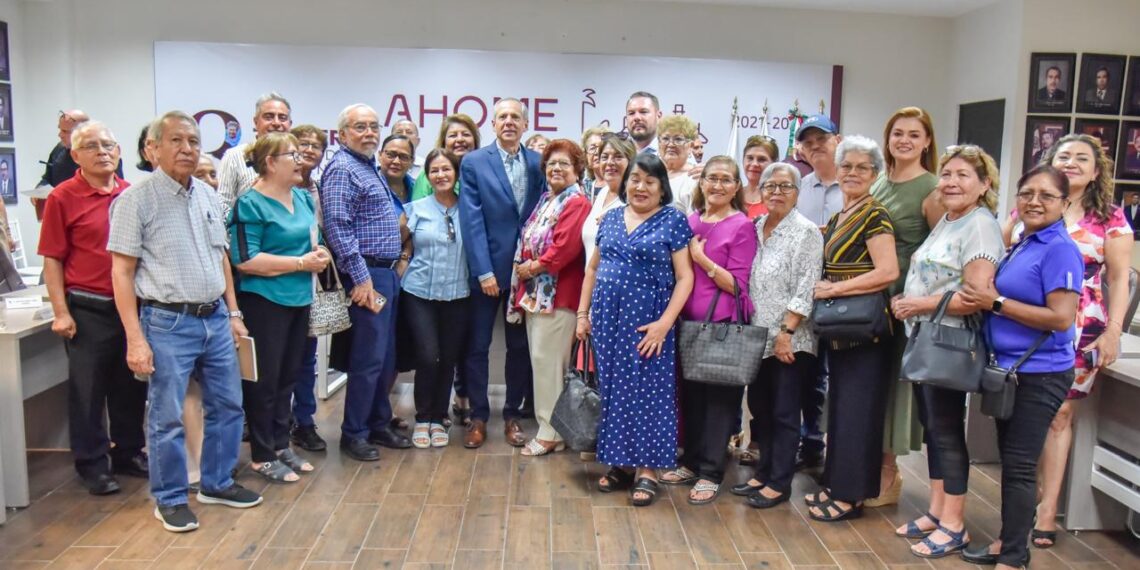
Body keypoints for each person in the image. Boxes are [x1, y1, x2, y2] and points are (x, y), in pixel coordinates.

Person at [108, 111, 263, 533]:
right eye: (176, 141)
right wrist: (134, 339)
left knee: (229, 405)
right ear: (152, 148)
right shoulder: (134, 201)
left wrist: (233, 312)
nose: (187, 149)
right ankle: (171, 498)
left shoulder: (209, 196)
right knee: (167, 415)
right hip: (165, 322)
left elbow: (221, 259)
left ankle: (216, 482)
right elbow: (122, 272)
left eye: (193, 141)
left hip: (214, 317)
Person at [1004, 134, 1133, 549]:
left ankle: (1047, 509)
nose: (1073, 163)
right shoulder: (1032, 205)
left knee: (1059, 414)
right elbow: (1004, 248)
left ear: (1097, 171)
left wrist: (1113, 332)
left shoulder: (1109, 218)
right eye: (1065, 156)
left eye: (1083, 158)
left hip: (1079, 325)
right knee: (1024, 417)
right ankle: (1027, 499)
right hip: (1022, 323)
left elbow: (1119, 279)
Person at [959, 164, 1083, 569]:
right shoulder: (1024, 241)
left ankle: (1014, 555)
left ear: (1064, 203)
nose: (1034, 202)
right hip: (1010, 372)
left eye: (1047, 196)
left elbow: (1061, 318)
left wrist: (993, 302)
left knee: (1019, 465)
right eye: (1027, 193)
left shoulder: (1059, 248)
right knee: (1013, 464)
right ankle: (1007, 540)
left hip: (1040, 373)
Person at [890, 145, 1004, 558]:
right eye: (948, 174)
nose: (952, 182)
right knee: (934, 429)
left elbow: (977, 295)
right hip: (926, 338)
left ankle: (955, 524)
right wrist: (911, 299)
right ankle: (938, 512)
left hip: (950, 342)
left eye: (963, 176)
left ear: (984, 184)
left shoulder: (979, 225)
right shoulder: (949, 219)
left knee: (947, 432)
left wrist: (917, 304)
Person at [576, 153, 694, 507]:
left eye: (650, 181)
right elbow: (593, 270)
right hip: (608, 323)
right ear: (625, 183)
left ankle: (647, 470)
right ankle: (621, 463)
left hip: (649, 323)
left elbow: (685, 276)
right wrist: (583, 314)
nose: (641, 187)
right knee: (614, 393)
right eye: (635, 179)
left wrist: (664, 324)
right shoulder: (610, 218)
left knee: (649, 395)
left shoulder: (672, 220)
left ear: (662, 188)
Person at [37, 121, 148, 496]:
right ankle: (92, 464)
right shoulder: (62, 197)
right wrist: (60, 311)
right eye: (92, 146)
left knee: (130, 386)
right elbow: (52, 259)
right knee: (88, 391)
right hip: (88, 308)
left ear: (119, 152)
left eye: (108, 145)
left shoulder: (131, 194)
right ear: (75, 155)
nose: (102, 152)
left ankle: (129, 453)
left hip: (130, 307)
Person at [804, 135, 898, 522]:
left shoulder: (875, 215)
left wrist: (835, 288)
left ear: (875, 174)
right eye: (847, 166)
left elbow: (888, 271)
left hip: (866, 330)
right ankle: (835, 486)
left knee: (859, 413)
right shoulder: (842, 216)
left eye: (862, 167)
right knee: (842, 410)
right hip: (841, 330)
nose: (853, 173)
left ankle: (851, 496)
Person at [230, 133, 329, 483]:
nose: (301, 160)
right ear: (270, 162)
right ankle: (260, 454)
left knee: (288, 376)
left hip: (300, 300)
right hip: (264, 303)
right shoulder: (250, 205)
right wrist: (301, 264)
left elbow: (312, 241)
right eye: (292, 154)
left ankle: (279, 442)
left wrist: (319, 256)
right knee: (264, 380)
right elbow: (245, 259)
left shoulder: (302, 198)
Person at [659, 156, 757, 504]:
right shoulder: (691, 220)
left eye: (726, 179)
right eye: (711, 178)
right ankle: (690, 462)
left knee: (718, 403)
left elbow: (738, 286)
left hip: (721, 328)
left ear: (736, 187)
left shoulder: (742, 226)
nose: (717, 185)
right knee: (691, 399)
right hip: (686, 325)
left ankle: (711, 472)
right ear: (701, 184)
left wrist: (702, 260)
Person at [321, 103, 412, 461]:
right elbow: (338, 228)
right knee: (367, 358)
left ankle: (377, 422)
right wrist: (360, 279)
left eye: (374, 126)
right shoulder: (343, 168)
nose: (370, 133)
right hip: (367, 275)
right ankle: (354, 432)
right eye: (360, 127)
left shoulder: (367, 167)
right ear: (342, 134)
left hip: (385, 273)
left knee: (385, 357)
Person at [869, 107, 945, 508]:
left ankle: (888, 471)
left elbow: (937, 252)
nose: (905, 141)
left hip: (901, 300)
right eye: (898, 133)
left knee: (896, 390)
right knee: (872, 385)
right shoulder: (879, 182)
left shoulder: (932, 189)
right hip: (868, 301)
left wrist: (915, 299)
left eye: (914, 135)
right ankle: (864, 463)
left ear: (927, 141)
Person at [457, 98, 544, 449]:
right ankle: (478, 416)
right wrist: (483, 271)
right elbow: (471, 218)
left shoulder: (539, 162)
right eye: (502, 117)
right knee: (477, 346)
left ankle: (511, 415)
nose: (509, 122)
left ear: (525, 124)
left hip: (526, 274)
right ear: (492, 125)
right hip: (488, 274)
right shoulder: (475, 162)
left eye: (515, 117)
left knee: (518, 346)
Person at [734, 162, 822, 508]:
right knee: (760, 409)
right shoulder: (755, 226)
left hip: (790, 340)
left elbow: (807, 286)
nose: (776, 192)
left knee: (785, 412)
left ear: (798, 193)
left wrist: (787, 331)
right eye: (770, 186)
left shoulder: (807, 232)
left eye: (785, 187)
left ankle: (780, 482)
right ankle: (764, 470)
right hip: (756, 337)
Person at [510, 139, 591, 456]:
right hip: (536, 297)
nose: (557, 169)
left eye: (565, 164)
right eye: (552, 164)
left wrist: (531, 267)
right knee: (542, 363)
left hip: (558, 297)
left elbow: (563, 250)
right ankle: (552, 429)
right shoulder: (548, 199)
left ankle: (551, 431)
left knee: (549, 365)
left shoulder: (577, 203)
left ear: (577, 170)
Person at [402, 149, 470, 448]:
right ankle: (422, 418)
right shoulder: (415, 208)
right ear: (427, 176)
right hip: (419, 292)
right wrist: (402, 262)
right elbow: (399, 245)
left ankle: (439, 416)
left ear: (456, 174)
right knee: (428, 357)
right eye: (434, 171)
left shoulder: (469, 209)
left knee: (448, 358)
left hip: (458, 294)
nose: (441, 175)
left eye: (446, 169)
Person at [792, 114, 842, 470]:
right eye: (807, 142)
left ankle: (840, 449)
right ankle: (810, 442)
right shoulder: (799, 188)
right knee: (809, 372)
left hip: (846, 296)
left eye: (821, 139)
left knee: (841, 375)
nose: (815, 147)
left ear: (837, 140)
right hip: (805, 293)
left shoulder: (856, 184)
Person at [288, 124, 330, 452]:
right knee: (278, 360)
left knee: (306, 357)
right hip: (276, 284)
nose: (310, 150)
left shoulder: (318, 189)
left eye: (317, 146)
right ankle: (272, 423)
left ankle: (304, 421)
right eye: (303, 144)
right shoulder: (268, 190)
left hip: (312, 284)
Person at [217, 92, 293, 216]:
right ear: (256, 121)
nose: (276, 123)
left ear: (290, 124)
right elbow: (221, 203)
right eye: (269, 117)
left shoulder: (295, 159)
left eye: (282, 118)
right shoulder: (234, 156)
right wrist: (240, 227)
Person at [582, 134, 635, 263]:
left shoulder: (635, 200)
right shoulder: (603, 193)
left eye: (618, 157)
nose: (610, 163)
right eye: (604, 157)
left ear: (631, 161)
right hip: (593, 279)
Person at [34, 110, 90, 221]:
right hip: (59, 217)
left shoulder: (100, 155)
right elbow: (47, 179)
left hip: (87, 219)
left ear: (82, 132)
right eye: (60, 129)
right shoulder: (58, 150)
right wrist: (39, 190)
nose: (60, 135)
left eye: (65, 131)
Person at [409, 114, 480, 201]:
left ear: (475, 141)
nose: (460, 139)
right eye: (453, 135)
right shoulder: (428, 175)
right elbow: (417, 211)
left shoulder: (485, 172)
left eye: (466, 134)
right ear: (444, 142)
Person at [658, 115, 699, 213]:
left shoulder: (694, 178)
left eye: (678, 139)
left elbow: (694, 223)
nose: (671, 144)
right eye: (665, 139)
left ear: (690, 146)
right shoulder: (653, 173)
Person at [740, 136, 779, 220]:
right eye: (750, 158)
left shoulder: (778, 200)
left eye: (761, 159)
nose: (754, 164)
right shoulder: (732, 196)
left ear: (774, 164)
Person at [380, 134, 416, 214]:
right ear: (380, 155)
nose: (396, 161)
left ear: (412, 162)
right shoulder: (367, 187)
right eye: (391, 155)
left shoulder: (417, 188)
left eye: (403, 157)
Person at [580, 125, 609, 198]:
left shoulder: (621, 185)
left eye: (602, 147)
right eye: (592, 148)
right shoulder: (583, 188)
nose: (597, 152)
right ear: (585, 156)